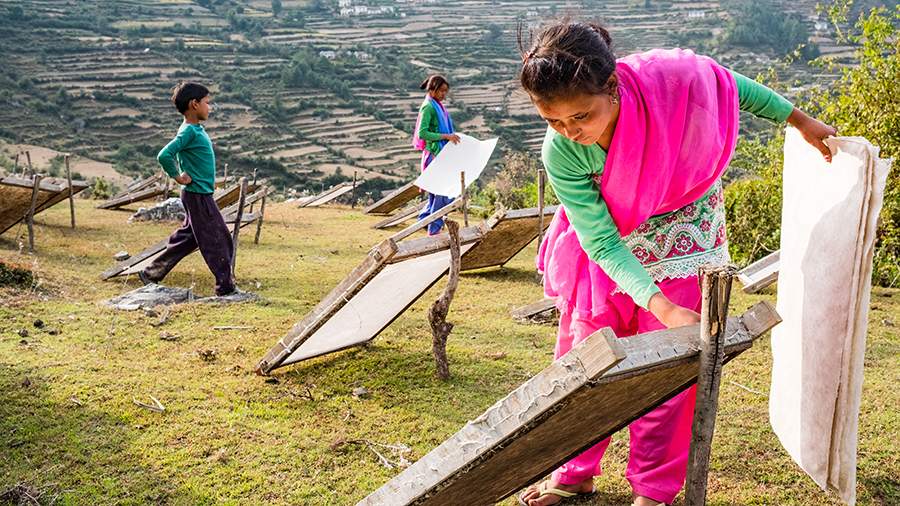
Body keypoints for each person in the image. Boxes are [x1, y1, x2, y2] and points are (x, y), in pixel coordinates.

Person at [516, 21, 836, 506]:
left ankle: (654, 489)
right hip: (612, 241)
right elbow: (601, 242)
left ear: (613, 86)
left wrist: (802, 122)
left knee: (670, 366)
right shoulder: (561, 150)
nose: (570, 132)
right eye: (553, 120)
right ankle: (575, 470)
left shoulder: (670, 79)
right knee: (587, 354)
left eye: (581, 116)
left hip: (686, 232)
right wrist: (658, 302)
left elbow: (732, 87)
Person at [138, 82, 237, 296]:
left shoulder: (194, 130)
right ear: (194, 104)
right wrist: (178, 177)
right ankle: (225, 288)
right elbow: (164, 155)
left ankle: (151, 273)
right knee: (219, 240)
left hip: (198, 194)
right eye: (207, 103)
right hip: (198, 195)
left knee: (187, 238)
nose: (209, 107)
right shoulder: (189, 132)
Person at [412, 74, 460, 235]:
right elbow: (422, 133)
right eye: (441, 91)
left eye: (446, 92)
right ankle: (434, 229)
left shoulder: (437, 105)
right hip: (434, 155)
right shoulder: (429, 107)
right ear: (432, 89)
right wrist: (446, 136)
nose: (444, 95)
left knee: (437, 194)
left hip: (441, 154)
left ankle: (424, 220)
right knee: (441, 192)